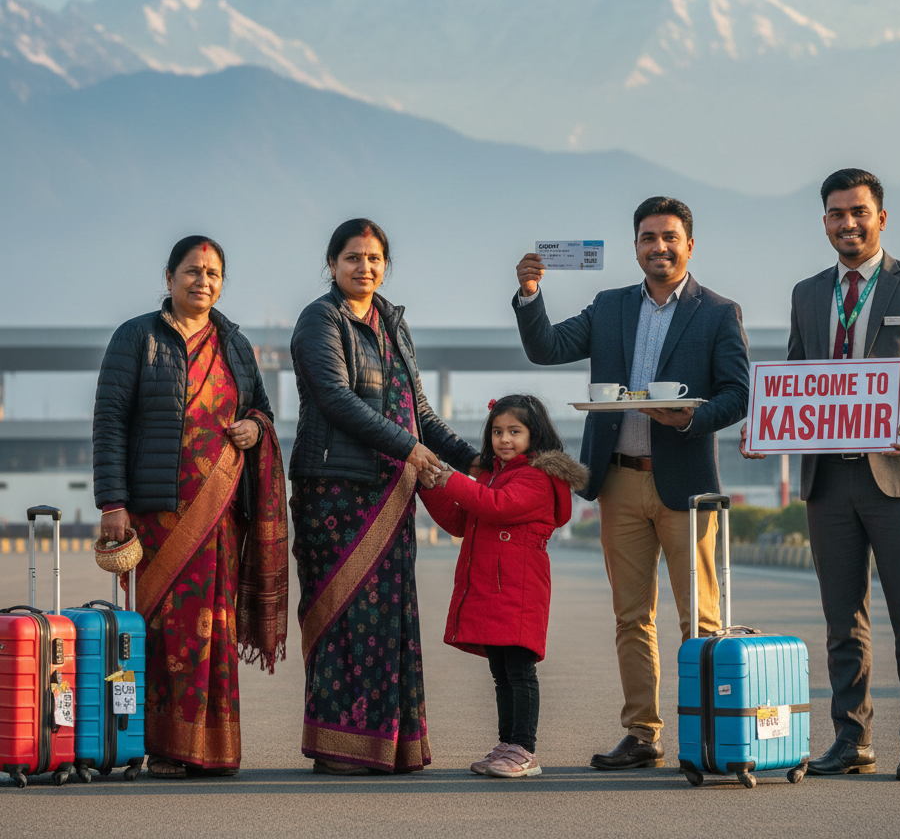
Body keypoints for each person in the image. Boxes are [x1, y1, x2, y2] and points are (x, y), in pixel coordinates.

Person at [741, 168, 900, 781]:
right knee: (842, 619)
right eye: (837, 214)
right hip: (827, 478)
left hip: (899, 475)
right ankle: (852, 737)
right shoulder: (807, 293)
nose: (848, 223)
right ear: (825, 223)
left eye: (859, 212)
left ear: (881, 218)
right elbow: (796, 372)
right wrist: (769, 424)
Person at [514, 196, 749, 770]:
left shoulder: (718, 312)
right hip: (618, 483)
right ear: (635, 247)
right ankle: (643, 733)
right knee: (631, 617)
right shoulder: (610, 307)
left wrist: (691, 417)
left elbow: (738, 394)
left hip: (687, 486)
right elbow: (546, 349)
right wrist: (530, 295)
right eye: (648, 238)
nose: (659, 247)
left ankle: (710, 735)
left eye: (670, 237)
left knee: (701, 619)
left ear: (689, 244)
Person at [288, 218, 480, 775]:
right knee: (343, 617)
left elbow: (418, 411)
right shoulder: (319, 320)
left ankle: (390, 744)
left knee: (390, 618)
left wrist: (475, 459)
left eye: (374, 259)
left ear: (385, 266)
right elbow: (336, 398)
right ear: (331, 264)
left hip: (393, 493)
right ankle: (338, 745)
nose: (364, 268)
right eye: (352, 258)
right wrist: (410, 451)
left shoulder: (393, 323)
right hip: (336, 493)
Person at [93, 236, 288, 779]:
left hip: (220, 515)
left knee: (211, 626)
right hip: (155, 515)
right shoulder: (137, 338)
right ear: (169, 276)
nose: (203, 280)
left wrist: (255, 428)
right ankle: (162, 745)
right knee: (161, 630)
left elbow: (262, 412)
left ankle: (211, 747)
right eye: (192, 271)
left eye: (213, 273)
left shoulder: (235, 344)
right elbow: (110, 422)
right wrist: (113, 502)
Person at [416, 394, 587, 779]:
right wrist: (431, 486)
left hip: (519, 589)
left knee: (520, 671)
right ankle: (507, 744)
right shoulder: (491, 474)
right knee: (502, 671)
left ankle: (525, 750)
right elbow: (461, 521)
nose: (504, 439)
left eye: (514, 431)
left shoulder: (537, 477)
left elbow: (496, 506)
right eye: (497, 431)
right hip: (495, 588)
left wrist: (452, 477)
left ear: (534, 435)